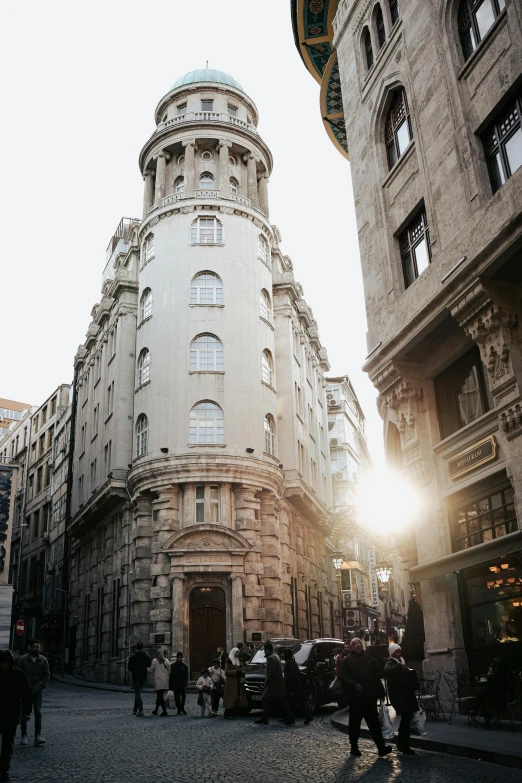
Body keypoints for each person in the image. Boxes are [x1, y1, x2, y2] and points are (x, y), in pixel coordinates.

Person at [339, 637, 392, 757]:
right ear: (351, 647)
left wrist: (381, 693)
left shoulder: (369, 659)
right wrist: (354, 684)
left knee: (374, 724)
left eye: (359, 643)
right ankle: (354, 747)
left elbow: (376, 676)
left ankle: (381, 747)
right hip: (356, 699)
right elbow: (342, 676)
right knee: (354, 725)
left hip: (369, 698)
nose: (357, 645)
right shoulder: (346, 661)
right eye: (354, 644)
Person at [0, 650, 32, 782]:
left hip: (11, 714)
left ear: (10, 662)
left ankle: (4, 770)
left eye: (6, 662)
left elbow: (26, 694)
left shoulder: (19, 675)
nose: (3, 665)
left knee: (7, 744)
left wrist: (26, 712)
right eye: (1, 662)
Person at [384, 643, 419, 755]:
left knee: (406, 719)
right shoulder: (391, 661)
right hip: (398, 695)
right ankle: (403, 745)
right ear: (392, 653)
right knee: (405, 718)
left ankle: (403, 744)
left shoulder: (401, 660)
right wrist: (400, 667)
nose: (399, 654)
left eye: (400, 651)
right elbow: (387, 670)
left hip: (406, 694)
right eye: (396, 652)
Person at [16, 639, 49, 746]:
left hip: (37, 691)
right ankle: (23, 735)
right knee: (25, 713)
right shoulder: (23, 659)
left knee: (38, 712)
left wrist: (39, 686)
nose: (36, 649)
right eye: (34, 647)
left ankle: (37, 736)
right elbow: (18, 673)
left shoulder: (43, 660)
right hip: (25, 691)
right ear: (30, 647)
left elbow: (46, 676)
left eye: (38, 647)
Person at [255, 641, 293, 726]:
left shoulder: (270, 658)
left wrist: (267, 682)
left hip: (274, 683)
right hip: (278, 682)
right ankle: (289, 717)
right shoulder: (275, 656)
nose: (264, 651)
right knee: (282, 700)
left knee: (265, 698)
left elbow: (271, 673)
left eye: (265, 650)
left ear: (268, 649)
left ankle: (265, 719)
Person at [283, 647, 311, 725]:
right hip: (297, 684)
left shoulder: (288, 663)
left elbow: (289, 676)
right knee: (300, 701)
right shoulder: (293, 662)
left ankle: (290, 718)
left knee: (285, 701)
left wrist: (285, 684)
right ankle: (307, 716)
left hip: (292, 684)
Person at [223, 647, 248, 719]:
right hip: (231, 683)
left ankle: (236, 713)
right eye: (236, 652)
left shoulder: (239, 661)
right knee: (231, 697)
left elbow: (242, 668)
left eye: (238, 652)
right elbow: (227, 672)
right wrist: (236, 671)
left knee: (238, 697)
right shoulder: (229, 661)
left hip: (238, 681)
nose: (237, 654)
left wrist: (242, 671)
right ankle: (228, 713)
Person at [127, 641, 151, 717]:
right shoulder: (147, 656)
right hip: (143, 677)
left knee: (138, 693)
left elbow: (129, 668)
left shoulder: (133, 657)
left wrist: (135, 669)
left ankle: (141, 710)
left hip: (136, 676)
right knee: (138, 692)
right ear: (142, 647)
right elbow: (149, 665)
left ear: (136, 648)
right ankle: (135, 709)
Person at [148, 649, 170, 716]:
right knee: (159, 696)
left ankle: (164, 711)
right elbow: (169, 670)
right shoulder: (167, 660)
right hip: (165, 680)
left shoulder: (155, 660)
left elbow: (151, 670)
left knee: (160, 696)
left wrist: (145, 668)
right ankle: (156, 710)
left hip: (158, 681)